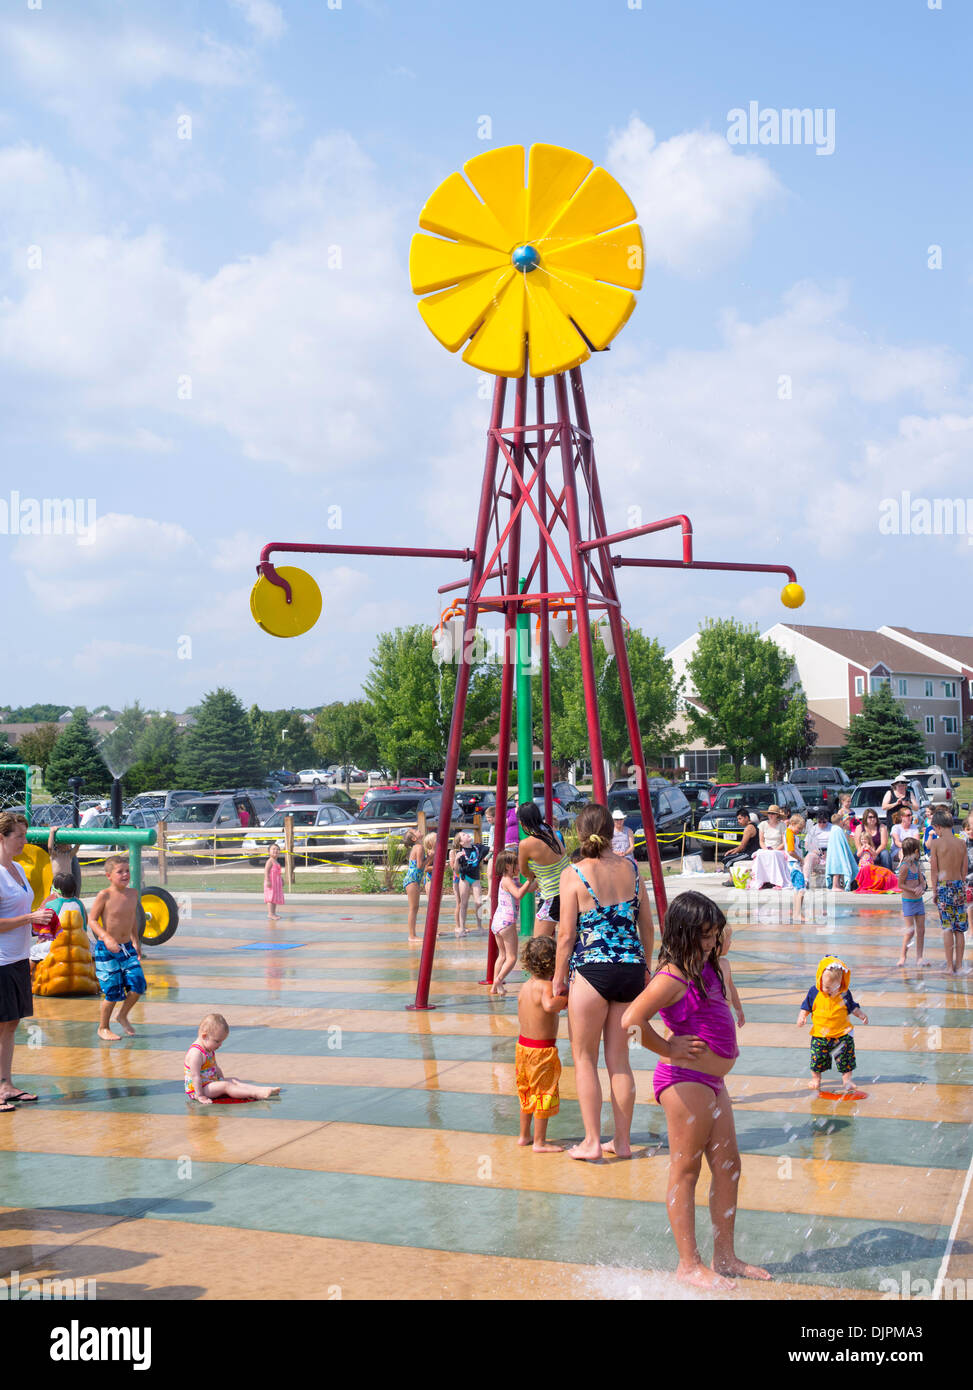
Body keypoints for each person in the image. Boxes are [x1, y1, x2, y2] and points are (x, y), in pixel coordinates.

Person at [621, 892, 768, 1289]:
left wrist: (717, 933)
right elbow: (631, 1022)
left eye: (715, 933)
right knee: (686, 1169)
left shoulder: (709, 964)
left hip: (712, 1082)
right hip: (684, 1081)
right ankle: (688, 1264)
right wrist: (668, 1047)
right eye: (705, 934)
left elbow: (724, 938)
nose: (713, 940)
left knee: (728, 1166)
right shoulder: (673, 976)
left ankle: (725, 1256)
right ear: (686, 935)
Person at [554, 803, 655, 1162]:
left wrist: (558, 979)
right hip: (630, 972)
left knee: (584, 1058)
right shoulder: (632, 869)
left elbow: (566, 935)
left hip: (591, 972)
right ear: (611, 833)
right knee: (621, 1061)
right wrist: (646, 965)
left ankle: (593, 1142)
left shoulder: (574, 874)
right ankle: (622, 1142)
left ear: (579, 834)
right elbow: (647, 926)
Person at [0, 810, 57, 1110]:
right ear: (2, 838)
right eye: (18, 836)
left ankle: (6, 1084)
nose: (24, 840)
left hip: (19, 957)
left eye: (25, 834)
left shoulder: (19, 870)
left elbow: (23, 911)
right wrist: (30, 916)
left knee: (11, 1023)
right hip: (0, 961)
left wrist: (43, 916)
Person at [516, 937, 568, 1151]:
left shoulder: (526, 986)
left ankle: (524, 1135)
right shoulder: (546, 987)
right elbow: (548, 1006)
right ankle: (539, 1142)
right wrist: (565, 1000)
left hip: (522, 1048)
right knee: (543, 1094)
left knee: (526, 1091)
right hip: (541, 1051)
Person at [89, 855, 147, 1042]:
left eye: (127, 870)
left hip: (126, 948)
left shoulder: (133, 893)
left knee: (138, 985)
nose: (125, 874)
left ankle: (122, 1015)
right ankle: (103, 1027)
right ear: (108, 875)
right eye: (119, 871)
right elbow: (92, 920)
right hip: (107, 949)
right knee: (113, 991)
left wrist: (136, 941)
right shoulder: (104, 895)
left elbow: (130, 919)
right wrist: (105, 937)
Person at [797, 957, 868, 1095]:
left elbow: (853, 1007)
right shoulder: (815, 992)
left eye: (831, 987)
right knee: (817, 1059)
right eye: (825, 986)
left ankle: (847, 1080)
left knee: (846, 1060)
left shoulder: (844, 994)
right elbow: (806, 1006)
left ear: (840, 984)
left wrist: (861, 1015)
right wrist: (802, 1017)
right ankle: (816, 1079)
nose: (827, 990)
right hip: (820, 1035)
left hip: (842, 1034)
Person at [184, 1013, 280, 1102]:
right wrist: (200, 1095)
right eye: (217, 1041)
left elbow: (215, 1067)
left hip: (210, 1082)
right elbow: (195, 1076)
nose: (220, 1044)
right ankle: (255, 1094)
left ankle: (260, 1089)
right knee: (226, 1086)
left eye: (222, 1041)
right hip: (198, 1089)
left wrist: (221, 1078)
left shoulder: (208, 1048)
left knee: (234, 1080)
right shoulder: (196, 1054)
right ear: (205, 1036)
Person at [518, 804, 568, 939]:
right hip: (568, 888)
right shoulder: (550, 829)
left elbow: (523, 870)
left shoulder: (526, 844)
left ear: (522, 823)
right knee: (566, 939)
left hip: (552, 895)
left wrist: (532, 877)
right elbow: (561, 854)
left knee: (538, 944)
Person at [489, 850, 535, 995]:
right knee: (512, 957)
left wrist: (537, 881)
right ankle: (498, 980)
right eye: (516, 864)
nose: (518, 867)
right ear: (508, 866)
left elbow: (528, 889)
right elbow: (519, 894)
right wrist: (529, 880)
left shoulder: (510, 880)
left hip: (498, 922)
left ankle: (495, 986)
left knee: (502, 955)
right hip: (507, 922)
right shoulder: (508, 881)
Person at [929, 809, 968, 974]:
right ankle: (959, 966)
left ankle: (949, 967)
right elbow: (964, 871)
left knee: (947, 927)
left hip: (944, 887)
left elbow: (934, 869)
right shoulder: (961, 843)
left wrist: (935, 890)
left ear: (938, 827)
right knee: (959, 928)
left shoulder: (936, 844)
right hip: (959, 886)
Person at [33, 871, 86, 982]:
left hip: (58, 945)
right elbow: (84, 926)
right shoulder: (80, 903)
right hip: (80, 943)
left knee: (32, 951)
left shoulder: (51, 905)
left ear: (55, 890)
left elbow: (45, 933)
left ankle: (26, 979)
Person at [896, 838, 928, 968]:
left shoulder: (915, 865)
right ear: (915, 851)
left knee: (921, 930)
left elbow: (922, 881)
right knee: (910, 931)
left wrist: (921, 887)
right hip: (908, 902)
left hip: (918, 902)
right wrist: (913, 889)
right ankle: (903, 956)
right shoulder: (904, 867)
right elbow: (900, 885)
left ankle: (919, 958)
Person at [825, 811, 858, 891]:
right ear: (840, 821)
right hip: (837, 854)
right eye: (842, 821)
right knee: (837, 870)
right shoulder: (838, 830)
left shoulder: (833, 829)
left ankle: (837, 885)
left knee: (837, 870)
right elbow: (841, 843)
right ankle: (835, 886)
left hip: (833, 854)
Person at [402, 829, 425, 944]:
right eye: (416, 831)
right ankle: (412, 935)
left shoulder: (417, 847)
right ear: (414, 839)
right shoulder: (419, 847)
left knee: (414, 908)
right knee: (413, 908)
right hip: (412, 880)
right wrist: (431, 857)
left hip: (412, 880)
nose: (419, 830)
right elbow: (420, 866)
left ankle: (413, 935)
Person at [721, 809, 758, 880]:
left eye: (740, 819)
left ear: (746, 818)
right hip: (751, 852)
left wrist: (731, 852)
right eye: (738, 819)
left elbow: (742, 847)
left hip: (750, 854)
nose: (738, 821)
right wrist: (732, 851)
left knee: (727, 859)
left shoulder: (749, 828)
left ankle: (732, 879)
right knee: (729, 856)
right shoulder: (754, 826)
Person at [47, 827, 81, 897]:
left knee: (68, 901)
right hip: (57, 884)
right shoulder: (55, 855)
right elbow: (50, 847)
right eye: (64, 844)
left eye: (68, 844)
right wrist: (52, 832)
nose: (67, 846)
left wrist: (79, 833)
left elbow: (77, 847)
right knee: (55, 899)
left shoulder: (69, 856)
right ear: (58, 845)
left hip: (68, 884)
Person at [803, 806, 832, 885]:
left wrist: (827, 852)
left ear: (827, 820)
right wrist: (815, 851)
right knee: (809, 858)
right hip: (816, 851)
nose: (822, 824)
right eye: (820, 822)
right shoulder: (814, 829)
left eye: (824, 822)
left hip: (830, 852)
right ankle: (806, 880)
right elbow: (807, 844)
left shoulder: (832, 828)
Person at [264, 843, 284, 923]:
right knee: (270, 898)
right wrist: (267, 880)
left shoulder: (276, 862)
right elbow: (266, 871)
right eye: (273, 849)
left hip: (276, 882)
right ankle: (270, 913)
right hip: (271, 882)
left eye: (277, 849)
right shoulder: (270, 861)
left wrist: (281, 879)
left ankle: (273, 913)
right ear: (269, 852)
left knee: (274, 898)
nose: (275, 850)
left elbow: (278, 872)